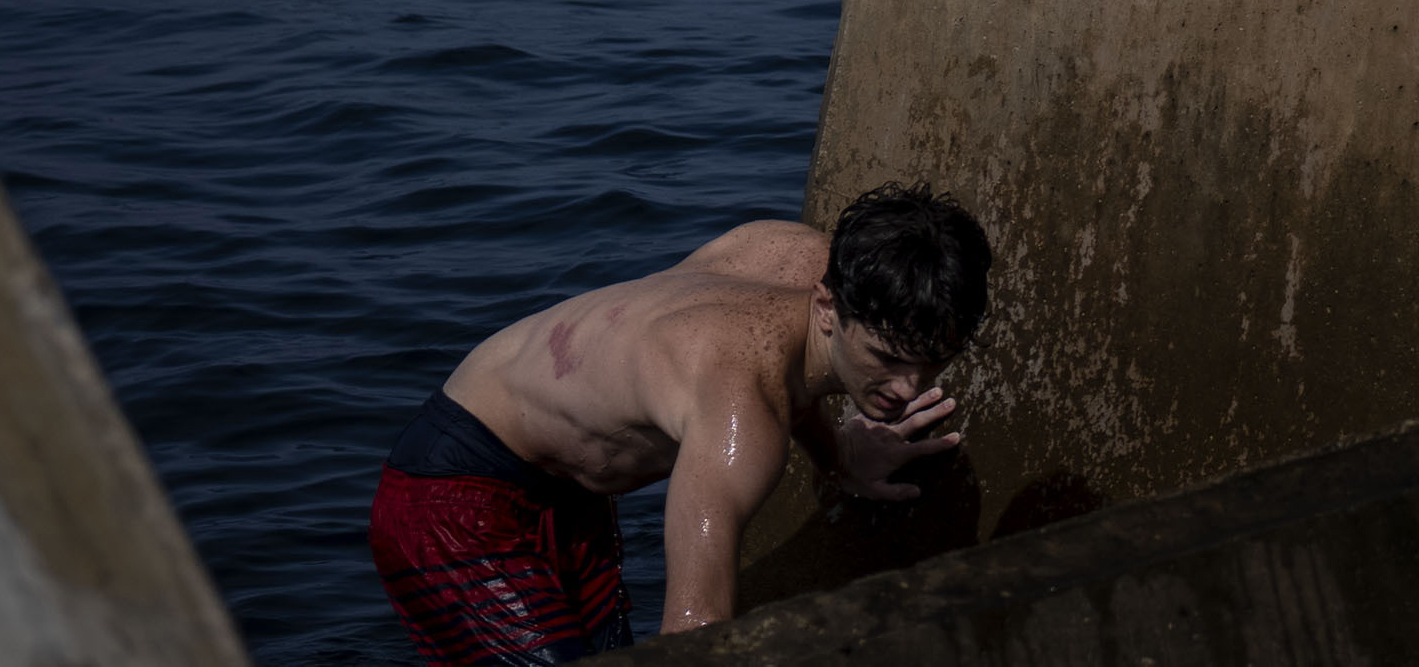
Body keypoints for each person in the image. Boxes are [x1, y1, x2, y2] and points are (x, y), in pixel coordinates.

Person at [370, 189, 990, 658]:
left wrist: (841, 459)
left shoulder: (789, 251)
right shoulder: (743, 419)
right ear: (829, 307)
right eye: (887, 360)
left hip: (565, 487)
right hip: (447, 498)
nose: (911, 388)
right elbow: (693, 640)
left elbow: (786, 371)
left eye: (933, 360)